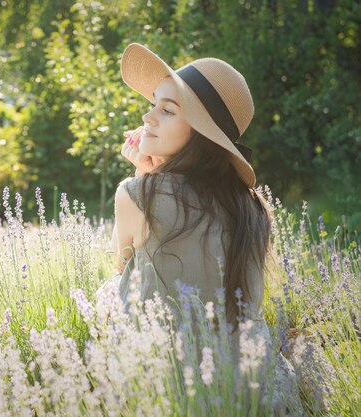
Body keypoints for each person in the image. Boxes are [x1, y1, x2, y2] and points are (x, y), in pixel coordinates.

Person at [97, 43, 307, 415]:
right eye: (154, 104)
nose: (148, 117)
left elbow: (122, 272)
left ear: (200, 132)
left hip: (165, 379)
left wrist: (142, 177)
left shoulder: (134, 195)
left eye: (167, 110)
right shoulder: (254, 208)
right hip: (243, 383)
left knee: (104, 293)